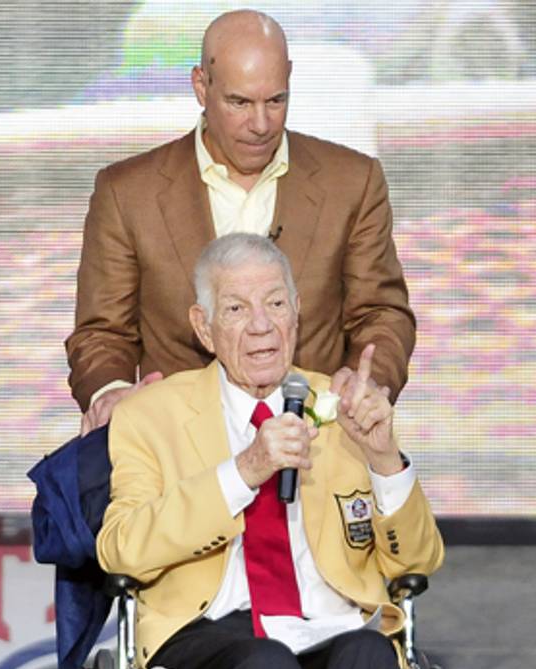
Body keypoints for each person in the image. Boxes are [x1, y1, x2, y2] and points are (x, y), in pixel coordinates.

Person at [96, 233, 443, 669]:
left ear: (297, 312)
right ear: (204, 328)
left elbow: (419, 561)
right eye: (236, 309)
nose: (261, 325)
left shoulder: (346, 404)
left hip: (329, 624)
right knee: (267, 667)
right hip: (212, 630)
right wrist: (245, 470)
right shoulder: (148, 416)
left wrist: (384, 457)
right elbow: (121, 548)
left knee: (372, 655)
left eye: (276, 304)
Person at [68, 9, 416, 434]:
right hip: (179, 456)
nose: (261, 124)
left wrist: (367, 380)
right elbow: (103, 332)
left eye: (276, 100)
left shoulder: (353, 183)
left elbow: (381, 312)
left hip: (315, 448)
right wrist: (111, 394)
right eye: (239, 102)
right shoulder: (127, 193)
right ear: (201, 86)